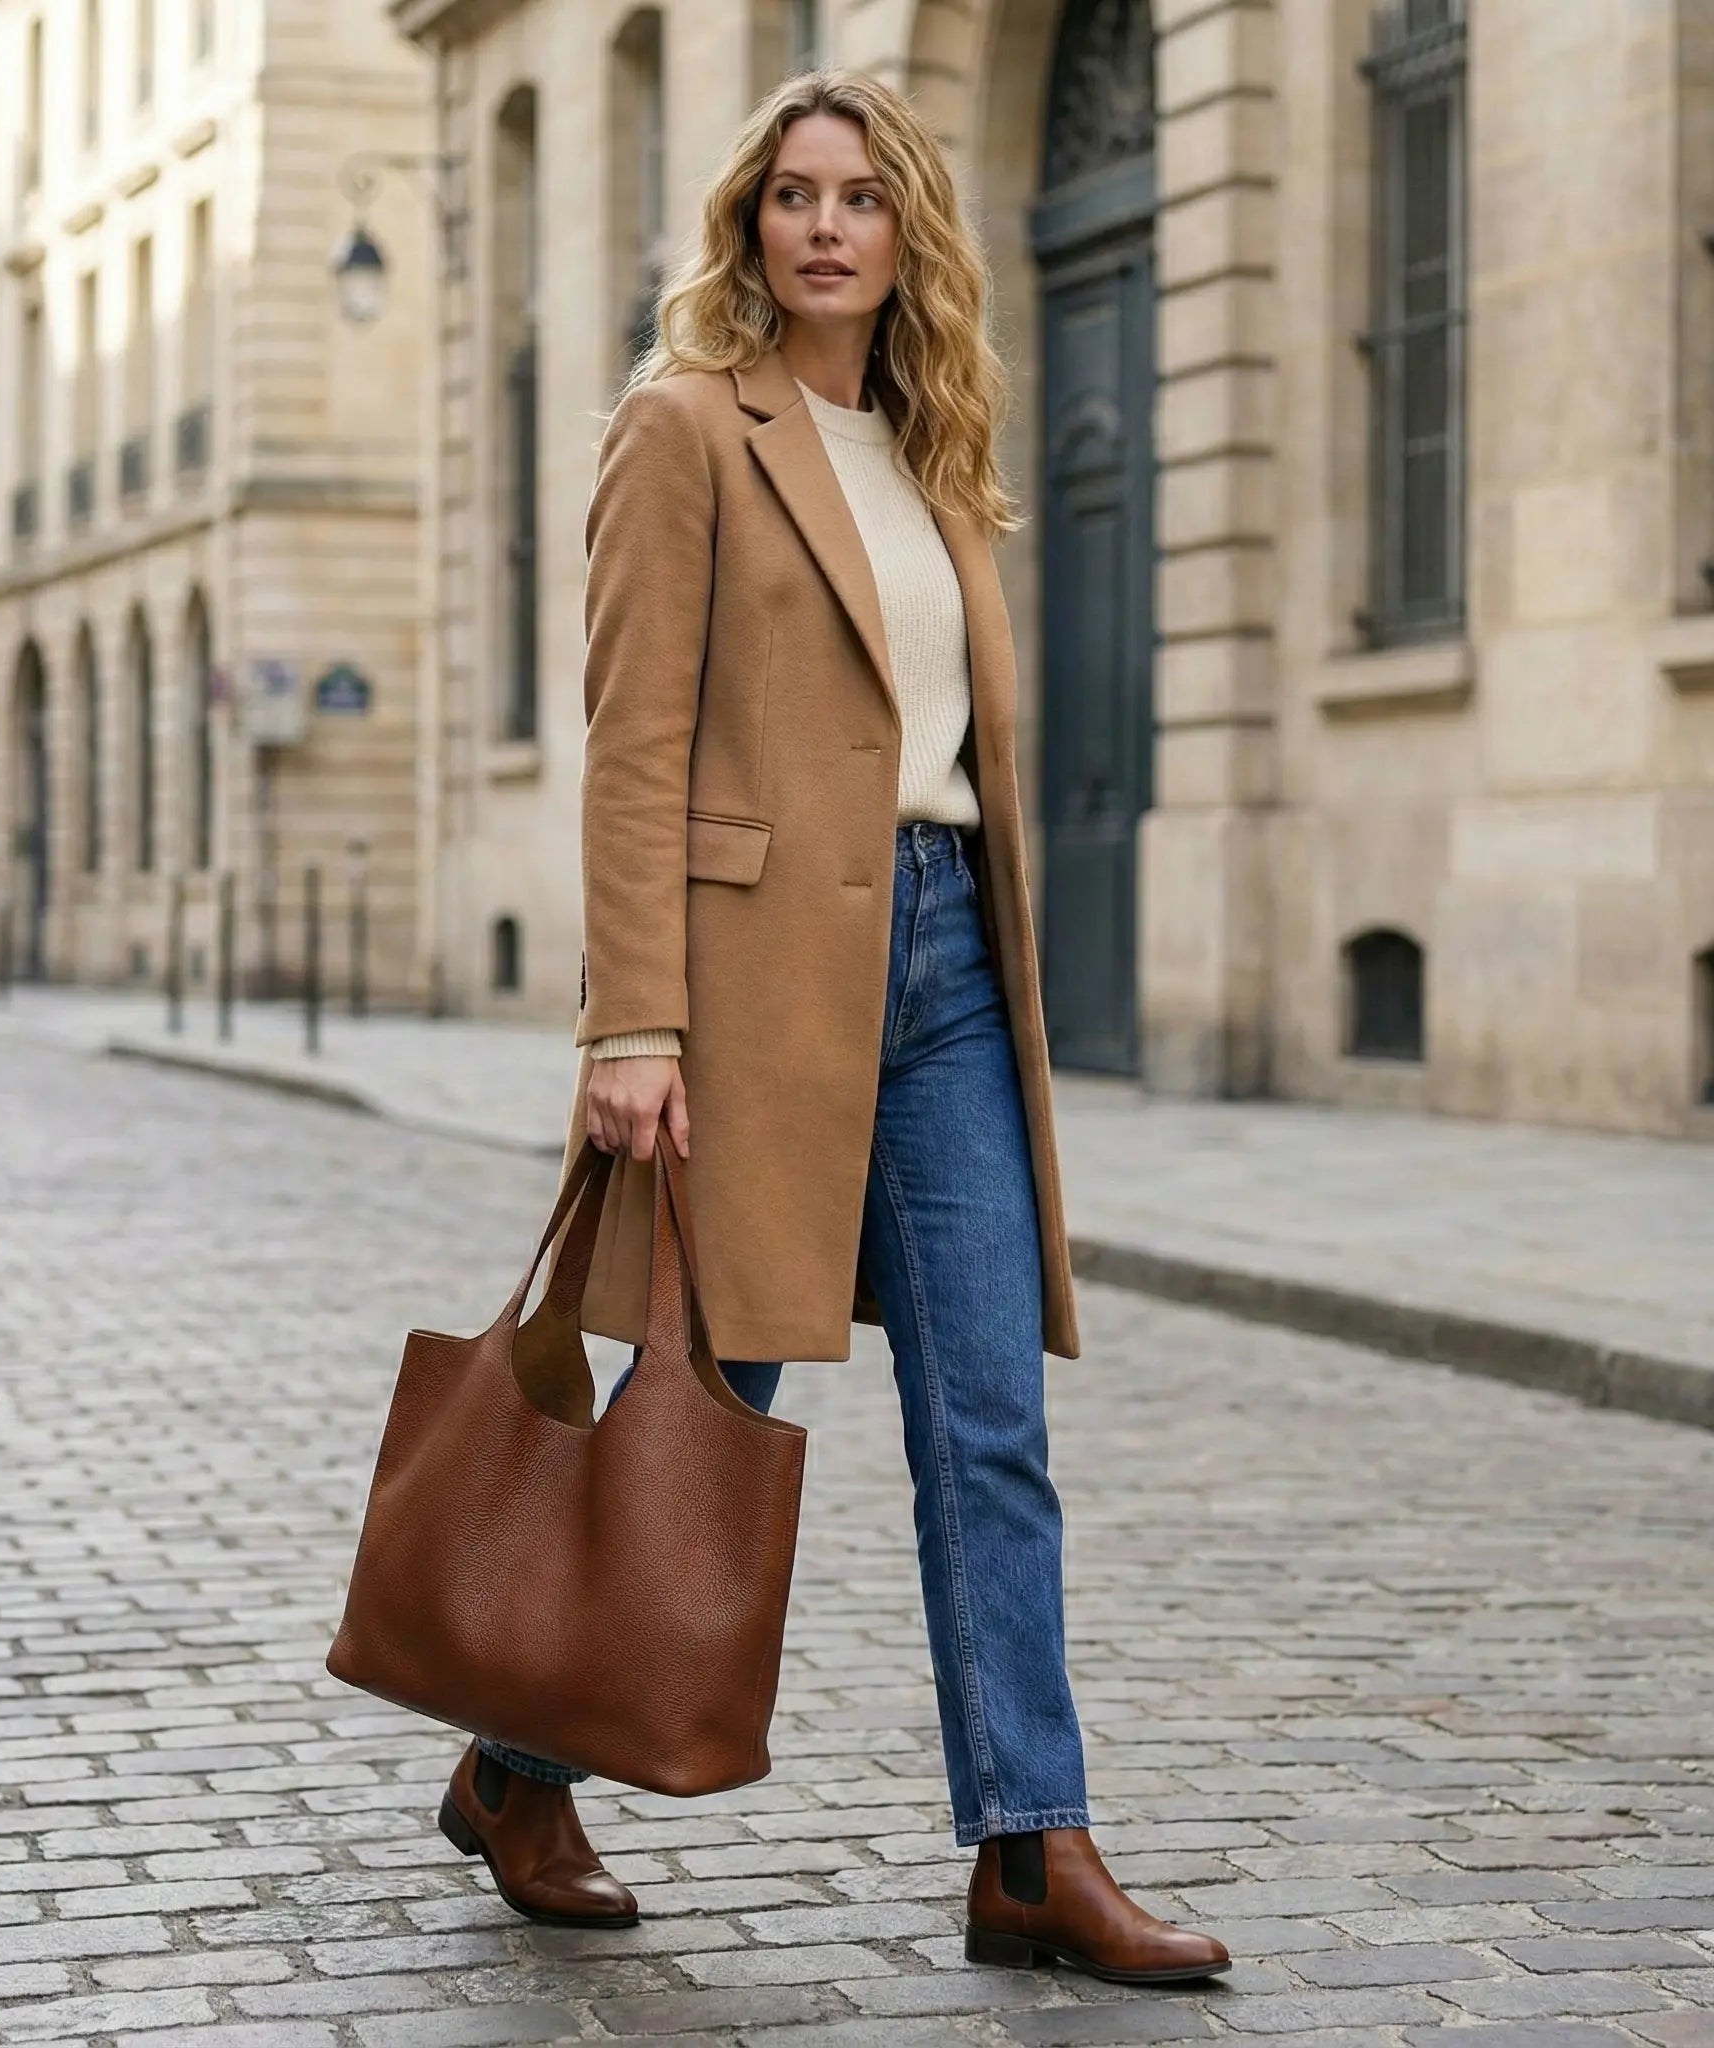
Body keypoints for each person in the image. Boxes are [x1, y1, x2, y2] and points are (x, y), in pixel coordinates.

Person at [434, 68, 1232, 1988]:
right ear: (749, 224)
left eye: (860, 197)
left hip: (950, 970)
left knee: (991, 1422)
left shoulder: (939, 449)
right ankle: (523, 1763)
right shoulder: (685, 427)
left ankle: (1032, 1851)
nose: (822, 226)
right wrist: (635, 1018)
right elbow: (633, 741)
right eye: (791, 193)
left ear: (907, 233)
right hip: (750, 992)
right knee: (713, 1413)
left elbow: (943, 744)